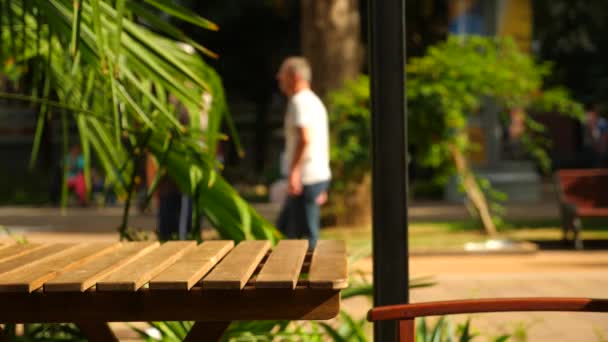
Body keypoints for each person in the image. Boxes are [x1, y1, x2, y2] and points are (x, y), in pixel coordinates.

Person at [275, 57, 331, 248]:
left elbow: (304, 138)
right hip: (314, 177)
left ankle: (311, 276)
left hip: (307, 178)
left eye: (282, 73)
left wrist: (294, 172)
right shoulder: (313, 101)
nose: (278, 77)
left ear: (295, 76)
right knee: (285, 232)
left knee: (305, 237)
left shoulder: (300, 102)